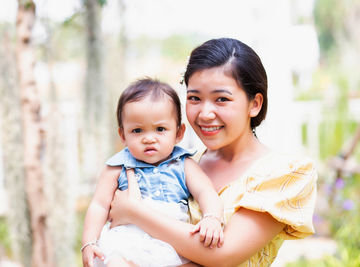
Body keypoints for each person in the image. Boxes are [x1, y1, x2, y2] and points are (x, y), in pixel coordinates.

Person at [108, 38, 318, 266]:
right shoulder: (181, 162)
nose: (205, 113)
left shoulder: (282, 174)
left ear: (254, 104)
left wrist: (134, 212)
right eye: (194, 98)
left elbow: (222, 255)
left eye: (222, 99)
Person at [81, 78, 224, 267]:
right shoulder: (117, 166)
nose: (149, 138)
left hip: (170, 241)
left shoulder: (183, 163)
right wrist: (89, 242)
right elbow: (99, 205)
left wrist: (212, 217)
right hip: (126, 240)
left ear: (179, 133)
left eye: (160, 129)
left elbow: (206, 191)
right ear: (123, 135)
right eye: (137, 130)